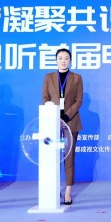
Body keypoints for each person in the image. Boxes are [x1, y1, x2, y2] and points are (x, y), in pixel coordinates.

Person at [42, 48, 83, 205]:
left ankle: (67, 191)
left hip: (70, 122)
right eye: (60, 58)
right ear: (56, 60)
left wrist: (66, 116)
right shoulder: (48, 77)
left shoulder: (77, 78)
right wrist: (52, 114)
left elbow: (78, 101)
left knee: (69, 157)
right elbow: (45, 98)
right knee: (52, 157)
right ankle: (53, 187)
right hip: (52, 123)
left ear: (70, 60)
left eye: (66, 58)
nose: (63, 60)